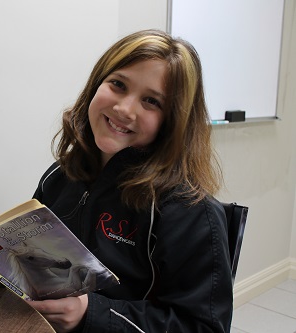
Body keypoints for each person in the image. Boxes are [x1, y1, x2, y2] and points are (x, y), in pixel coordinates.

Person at [27, 29, 232, 332]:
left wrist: (90, 313)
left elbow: (202, 326)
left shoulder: (190, 211)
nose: (124, 109)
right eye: (118, 85)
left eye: (151, 101)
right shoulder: (60, 175)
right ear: (97, 84)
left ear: (173, 120)